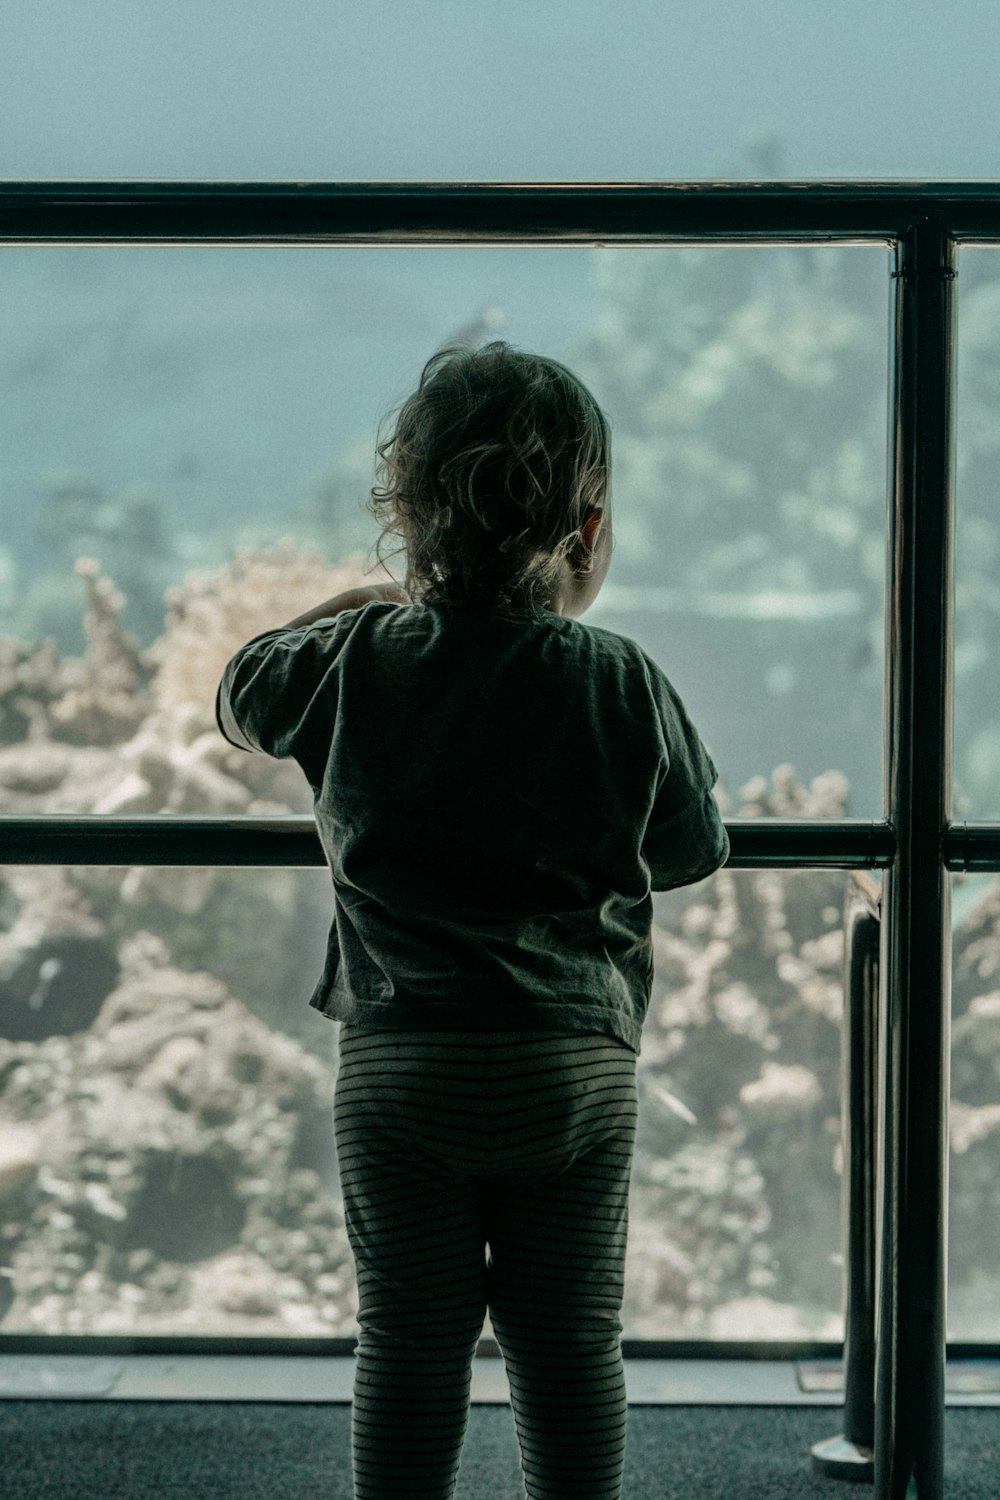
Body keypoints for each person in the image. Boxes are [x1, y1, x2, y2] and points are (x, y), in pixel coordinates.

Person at [216, 341, 729, 1500]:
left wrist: (353, 606)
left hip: (403, 1066)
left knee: (405, 1344)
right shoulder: (620, 678)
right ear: (587, 533)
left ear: (403, 515)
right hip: (572, 1066)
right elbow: (690, 847)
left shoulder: (351, 658)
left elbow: (241, 690)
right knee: (567, 1350)